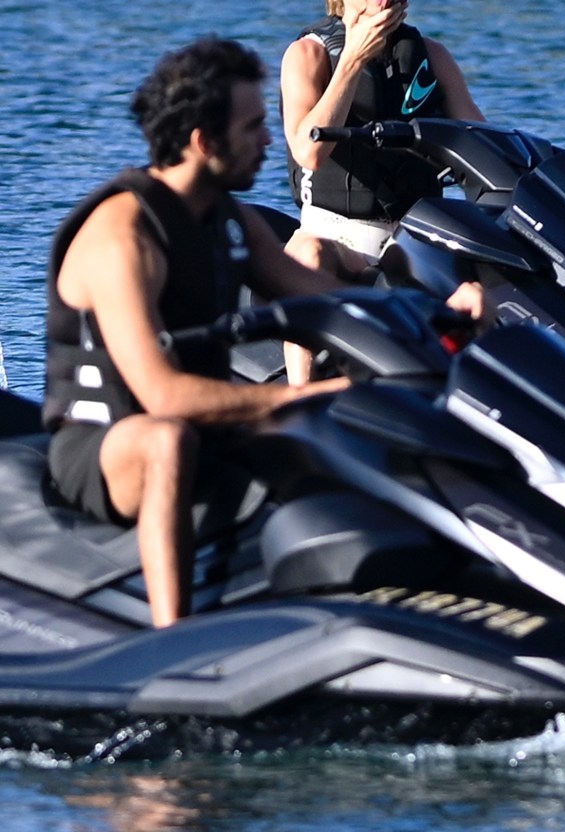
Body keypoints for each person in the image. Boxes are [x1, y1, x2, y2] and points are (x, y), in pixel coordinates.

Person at [42, 36, 352, 629]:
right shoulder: (123, 234)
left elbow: (330, 299)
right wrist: (299, 396)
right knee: (167, 440)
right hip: (104, 445)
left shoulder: (226, 218)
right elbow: (162, 397)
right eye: (255, 127)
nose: (269, 140)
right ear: (204, 142)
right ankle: (173, 637)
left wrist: (438, 310)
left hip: (200, 427)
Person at [280, 0, 487, 382]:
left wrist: (547, 166)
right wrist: (353, 57)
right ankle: (299, 399)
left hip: (416, 243)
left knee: (487, 293)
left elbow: (482, 142)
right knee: (306, 251)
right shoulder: (309, 55)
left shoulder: (431, 55)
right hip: (338, 242)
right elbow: (308, 151)